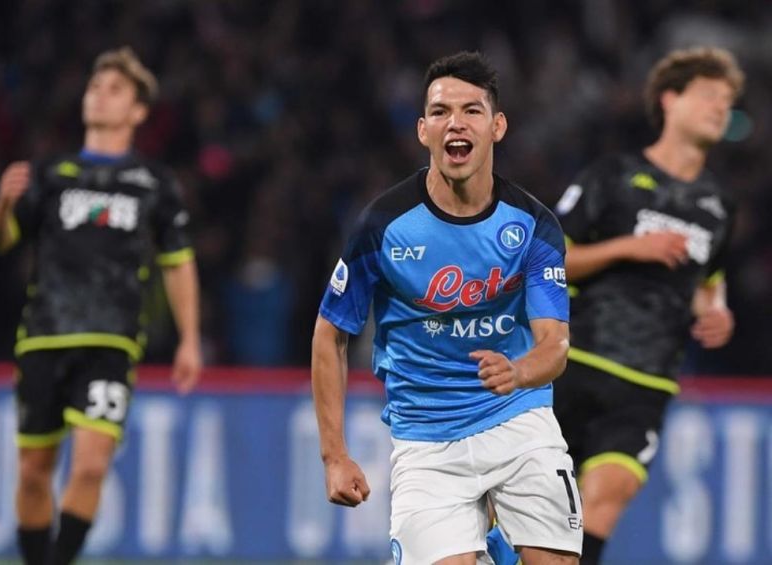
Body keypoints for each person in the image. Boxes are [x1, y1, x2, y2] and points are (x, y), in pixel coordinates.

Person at [312, 51, 581, 565]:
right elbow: (331, 332)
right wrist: (334, 455)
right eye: (440, 112)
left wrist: (519, 371)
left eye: (471, 110)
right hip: (427, 441)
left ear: (497, 126)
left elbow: (555, 346)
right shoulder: (383, 226)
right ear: (422, 130)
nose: (455, 122)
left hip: (517, 422)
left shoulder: (533, 225)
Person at [490, 46, 744, 565]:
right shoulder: (613, 176)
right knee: (514, 506)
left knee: (606, 499)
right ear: (670, 100)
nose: (721, 109)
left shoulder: (720, 205)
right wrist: (630, 247)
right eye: (710, 97)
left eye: (727, 101)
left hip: (647, 382)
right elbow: (548, 257)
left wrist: (715, 309)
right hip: (573, 362)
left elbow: (706, 279)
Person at [0, 47, 202, 565]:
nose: (99, 95)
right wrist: (2, 205)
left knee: (90, 466)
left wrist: (189, 338)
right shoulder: (50, 174)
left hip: (111, 340)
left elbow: (178, 262)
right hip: (44, 335)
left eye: (114, 89)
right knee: (34, 471)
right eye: (94, 87)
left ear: (137, 111)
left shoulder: (154, 185)